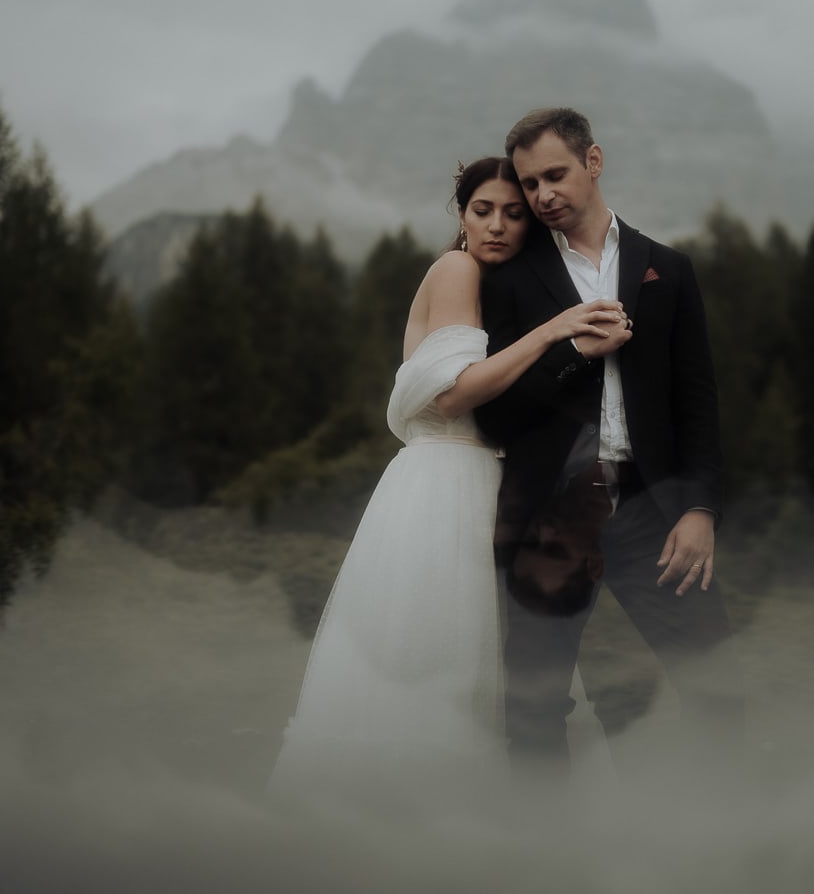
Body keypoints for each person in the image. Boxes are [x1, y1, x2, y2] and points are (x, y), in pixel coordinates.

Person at [267, 156, 625, 807]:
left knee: (492, 674)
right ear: (459, 215)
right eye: (482, 210)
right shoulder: (457, 269)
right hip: (443, 486)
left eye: (514, 214)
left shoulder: (505, 287)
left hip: (487, 485)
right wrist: (555, 332)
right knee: (440, 666)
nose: (496, 226)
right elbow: (457, 396)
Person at [475, 107, 743, 780]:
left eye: (556, 176)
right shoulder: (507, 277)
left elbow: (698, 403)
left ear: (594, 162)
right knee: (534, 705)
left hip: (656, 512)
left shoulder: (669, 270)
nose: (543, 197)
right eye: (531, 185)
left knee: (719, 689)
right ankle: (546, 859)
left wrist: (700, 510)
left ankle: (727, 844)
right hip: (548, 517)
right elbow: (493, 416)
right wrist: (573, 353)